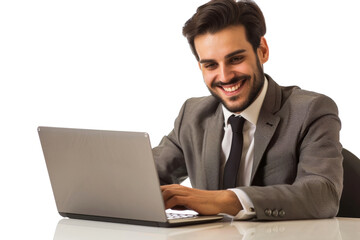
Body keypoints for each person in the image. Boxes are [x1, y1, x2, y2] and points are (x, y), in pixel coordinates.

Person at [153, 0, 343, 220]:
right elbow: (143, 177)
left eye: (235, 59)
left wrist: (227, 200)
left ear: (262, 51)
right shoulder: (192, 114)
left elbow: (323, 194)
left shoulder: (311, 110)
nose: (224, 77)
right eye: (211, 65)